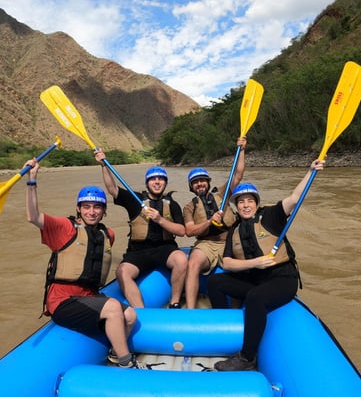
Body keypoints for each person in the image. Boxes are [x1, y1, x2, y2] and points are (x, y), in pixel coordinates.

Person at [24, 158, 146, 369]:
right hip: (63, 300)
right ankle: (127, 362)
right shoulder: (64, 227)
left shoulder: (108, 234)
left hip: (89, 296)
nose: (92, 211)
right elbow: (33, 216)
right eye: (87, 206)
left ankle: (115, 354)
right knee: (114, 307)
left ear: (103, 210)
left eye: (97, 207)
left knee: (130, 314)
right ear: (79, 209)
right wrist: (32, 180)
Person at [207, 159, 325, 371]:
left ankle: (247, 358)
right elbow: (227, 263)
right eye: (241, 201)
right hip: (256, 279)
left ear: (256, 202)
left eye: (249, 201)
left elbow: (295, 198)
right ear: (236, 205)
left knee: (255, 297)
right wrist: (255, 263)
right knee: (215, 280)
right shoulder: (234, 231)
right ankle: (223, 327)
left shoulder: (271, 216)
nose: (245, 205)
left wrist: (310, 171)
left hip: (282, 279)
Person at [94, 150, 187, 308]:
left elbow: (181, 231)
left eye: (161, 179)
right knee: (122, 271)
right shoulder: (135, 199)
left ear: (165, 183)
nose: (157, 182)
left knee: (181, 260)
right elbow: (112, 189)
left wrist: (160, 219)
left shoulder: (172, 204)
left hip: (165, 249)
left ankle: (175, 302)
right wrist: (104, 165)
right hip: (138, 251)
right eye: (153, 179)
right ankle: (140, 311)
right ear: (147, 183)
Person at [183, 136, 247, 309]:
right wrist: (210, 222)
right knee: (193, 262)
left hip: (230, 240)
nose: (200, 184)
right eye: (195, 182)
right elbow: (189, 231)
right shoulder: (189, 207)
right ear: (191, 187)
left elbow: (238, 174)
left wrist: (241, 150)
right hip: (207, 243)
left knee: (243, 265)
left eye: (202, 180)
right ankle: (190, 309)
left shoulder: (222, 193)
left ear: (208, 182)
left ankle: (236, 310)